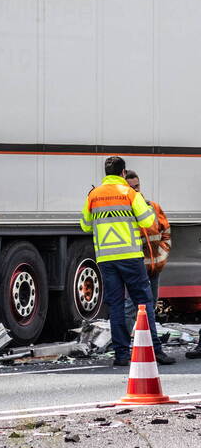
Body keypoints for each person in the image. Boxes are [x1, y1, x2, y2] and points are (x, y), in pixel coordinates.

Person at [79, 156, 160, 367]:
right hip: (131, 257)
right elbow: (148, 221)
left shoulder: (94, 196)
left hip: (106, 258)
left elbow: (85, 226)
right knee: (144, 302)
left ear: (106, 173)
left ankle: (121, 355)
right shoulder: (129, 193)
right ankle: (155, 350)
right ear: (123, 173)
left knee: (115, 306)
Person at [122, 171, 175, 364]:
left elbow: (165, 232)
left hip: (153, 268)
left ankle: (148, 348)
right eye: (131, 187)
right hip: (136, 268)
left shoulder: (152, 207)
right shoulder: (124, 211)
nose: (135, 190)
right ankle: (123, 347)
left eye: (137, 186)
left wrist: (160, 258)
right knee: (131, 307)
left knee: (149, 307)